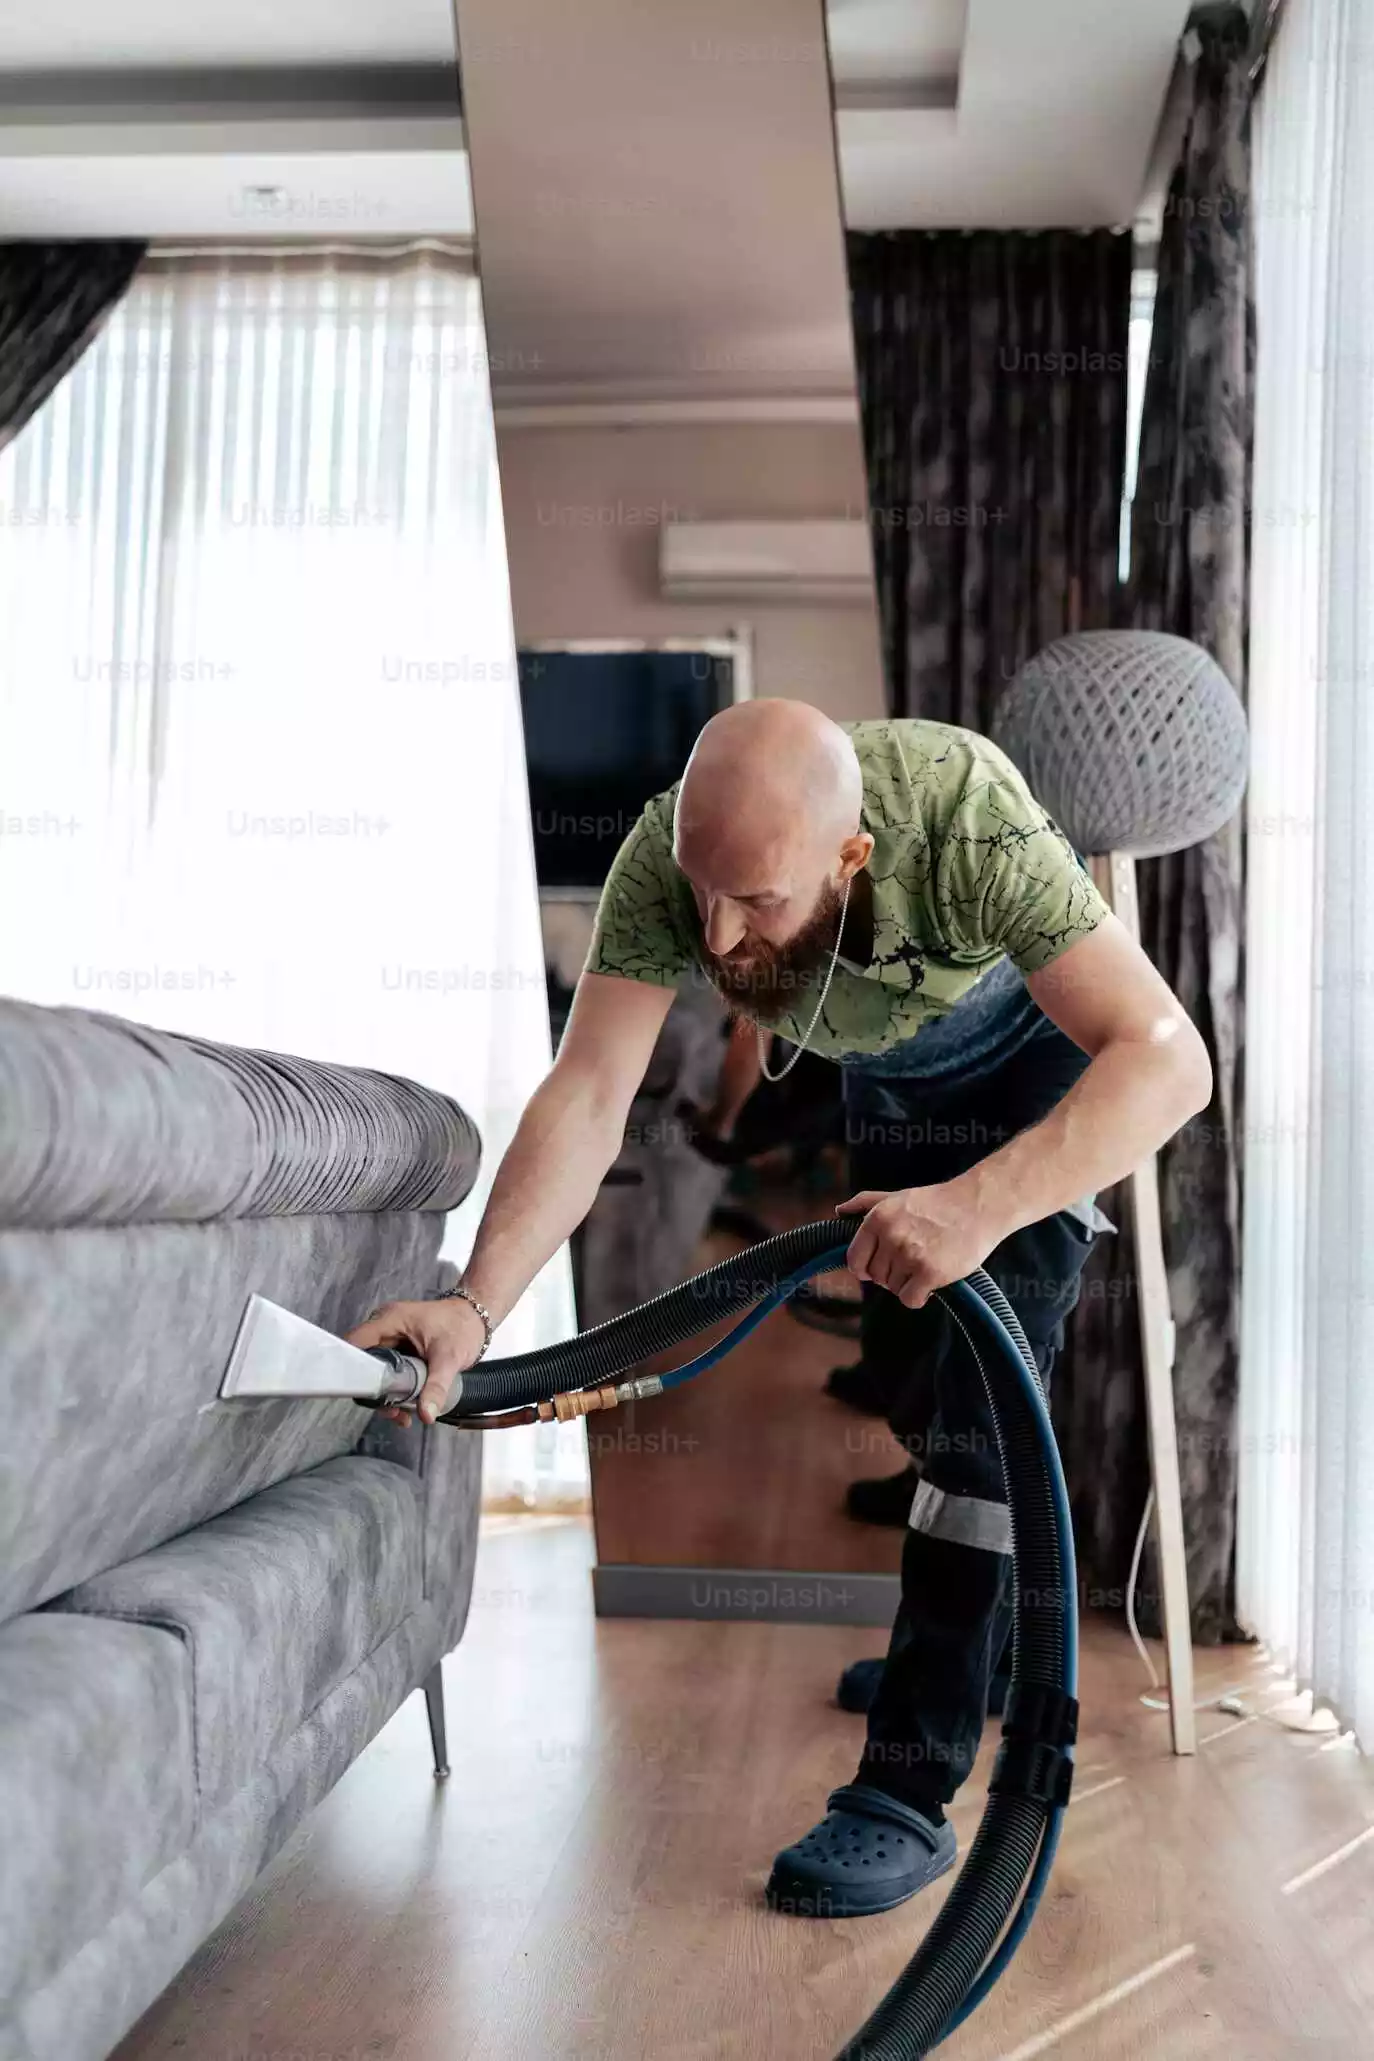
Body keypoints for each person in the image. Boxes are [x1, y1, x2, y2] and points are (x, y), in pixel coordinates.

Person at [349, 697, 1210, 1919]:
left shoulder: (966, 819)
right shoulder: (675, 861)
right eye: (703, 893)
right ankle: (988, 1655)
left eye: (756, 903)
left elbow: (1169, 1058)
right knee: (910, 1400)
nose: (717, 934)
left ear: (853, 858)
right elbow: (591, 1091)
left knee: (974, 1441)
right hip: (899, 1094)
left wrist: (975, 1210)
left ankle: (907, 1788)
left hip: (1036, 1089)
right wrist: (475, 1308)